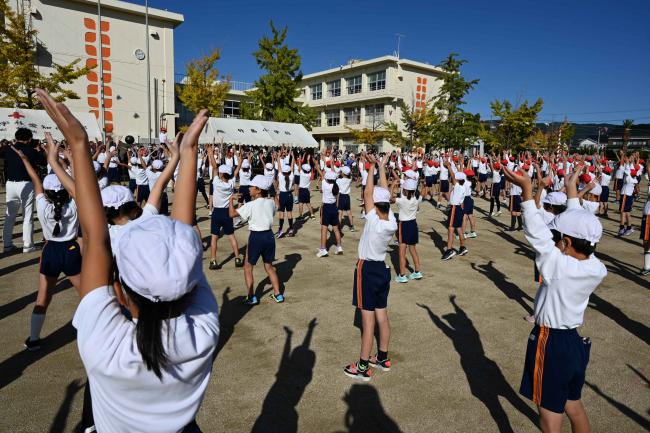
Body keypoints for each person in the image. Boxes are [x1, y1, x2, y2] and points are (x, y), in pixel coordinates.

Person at [37, 90, 219, 433]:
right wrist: (188, 154)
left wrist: (76, 147)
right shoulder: (203, 333)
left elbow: (96, 233)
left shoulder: (105, 344)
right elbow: (108, 235)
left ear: (119, 287)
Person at [502, 164, 606, 433]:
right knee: (574, 405)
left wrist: (527, 190)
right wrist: (572, 192)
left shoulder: (558, 267)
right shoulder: (595, 266)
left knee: (550, 418)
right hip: (573, 343)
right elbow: (580, 226)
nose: (555, 240)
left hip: (551, 343)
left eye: (559, 237)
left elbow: (537, 235)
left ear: (568, 243)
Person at [11, 134, 81, 350]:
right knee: (87, 295)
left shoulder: (42, 204)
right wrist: (66, 159)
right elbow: (77, 182)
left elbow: (35, 179)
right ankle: (89, 328)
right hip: (72, 250)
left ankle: (33, 339)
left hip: (50, 250)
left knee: (42, 299)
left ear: (47, 191)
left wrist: (25, 159)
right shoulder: (74, 204)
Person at [343, 152, 397, 381]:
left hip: (366, 269)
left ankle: (363, 366)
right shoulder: (390, 220)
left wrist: (372, 168)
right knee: (382, 315)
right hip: (383, 269)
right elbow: (380, 192)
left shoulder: (373, 218)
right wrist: (381, 166)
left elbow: (367, 191)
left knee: (368, 320)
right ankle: (382, 357)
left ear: (376, 203)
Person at [228, 175, 283, 305]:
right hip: (269, 236)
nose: (249, 189)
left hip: (256, 237)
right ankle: (278, 294)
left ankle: (251, 296)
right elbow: (277, 205)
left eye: (252, 187)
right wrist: (274, 194)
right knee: (269, 266)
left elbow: (232, 214)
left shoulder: (251, 205)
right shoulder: (270, 202)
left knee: (248, 267)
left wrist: (231, 200)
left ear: (258, 190)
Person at [2, 128, 45, 253]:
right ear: (29, 138)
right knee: (27, 216)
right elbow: (43, 161)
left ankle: (7, 244)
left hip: (10, 184)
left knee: (9, 215)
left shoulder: (8, 150)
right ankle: (28, 245)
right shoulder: (29, 150)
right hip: (25, 183)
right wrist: (38, 150)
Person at [207, 153, 244, 270]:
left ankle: (213, 260)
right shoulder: (231, 183)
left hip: (217, 212)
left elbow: (214, 167)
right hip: (228, 212)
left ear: (221, 174)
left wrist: (210, 154)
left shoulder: (217, 182)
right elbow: (236, 171)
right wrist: (240, 160)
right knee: (231, 236)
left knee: (214, 237)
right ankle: (237, 258)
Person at [392, 177, 422, 282]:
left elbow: (390, 199)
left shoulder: (401, 200)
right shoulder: (418, 198)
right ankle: (417, 271)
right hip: (413, 224)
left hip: (404, 225)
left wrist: (392, 186)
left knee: (402, 250)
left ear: (404, 190)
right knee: (413, 249)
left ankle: (402, 275)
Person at [313, 159, 343, 257]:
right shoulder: (336, 185)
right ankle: (339, 247)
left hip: (326, 208)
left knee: (324, 229)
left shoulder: (325, 184)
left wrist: (316, 163)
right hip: (334, 208)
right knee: (336, 229)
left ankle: (323, 249)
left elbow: (319, 171)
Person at [441, 161, 467, 260]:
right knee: (459, 228)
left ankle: (449, 250)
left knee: (451, 229)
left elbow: (452, 175)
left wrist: (448, 166)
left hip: (455, 208)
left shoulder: (457, 186)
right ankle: (462, 247)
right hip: (459, 208)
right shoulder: (463, 186)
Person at [276, 154, 296, 238]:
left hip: (283, 195)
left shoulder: (280, 175)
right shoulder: (291, 175)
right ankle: (291, 229)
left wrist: (278, 156)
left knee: (281, 213)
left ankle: (280, 230)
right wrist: (292, 157)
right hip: (289, 195)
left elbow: (279, 165)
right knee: (289, 213)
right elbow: (291, 167)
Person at [337, 165, 355, 231]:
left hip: (341, 196)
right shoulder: (349, 180)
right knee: (349, 212)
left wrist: (339, 173)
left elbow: (337, 176)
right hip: (347, 196)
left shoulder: (339, 180)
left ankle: (339, 226)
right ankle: (351, 226)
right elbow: (350, 175)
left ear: (343, 173)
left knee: (340, 212)